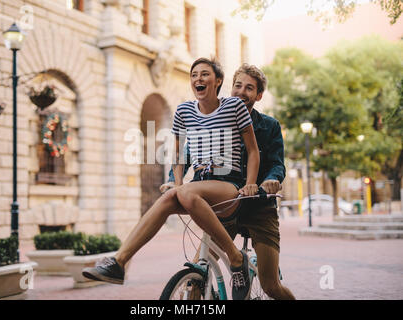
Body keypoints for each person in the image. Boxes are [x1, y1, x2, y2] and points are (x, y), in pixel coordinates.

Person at [82, 58, 261, 300]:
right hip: (200, 187)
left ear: (218, 81)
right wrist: (176, 185)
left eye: (205, 74)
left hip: (229, 187)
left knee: (185, 191)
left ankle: (236, 258)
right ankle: (119, 262)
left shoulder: (234, 107)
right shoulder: (184, 111)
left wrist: (250, 183)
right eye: (194, 74)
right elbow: (178, 154)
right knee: (171, 196)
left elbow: (252, 150)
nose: (198, 78)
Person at [164, 64, 296, 300]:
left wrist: (270, 181)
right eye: (238, 85)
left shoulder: (270, 126)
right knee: (196, 276)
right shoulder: (215, 116)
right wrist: (173, 180)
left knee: (270, 285)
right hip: (225, 207)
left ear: (258, 96)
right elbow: (187, 154)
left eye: (249, 88)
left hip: (259, 207)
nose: (242, 92)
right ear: (230, 87)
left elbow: (277, 164)